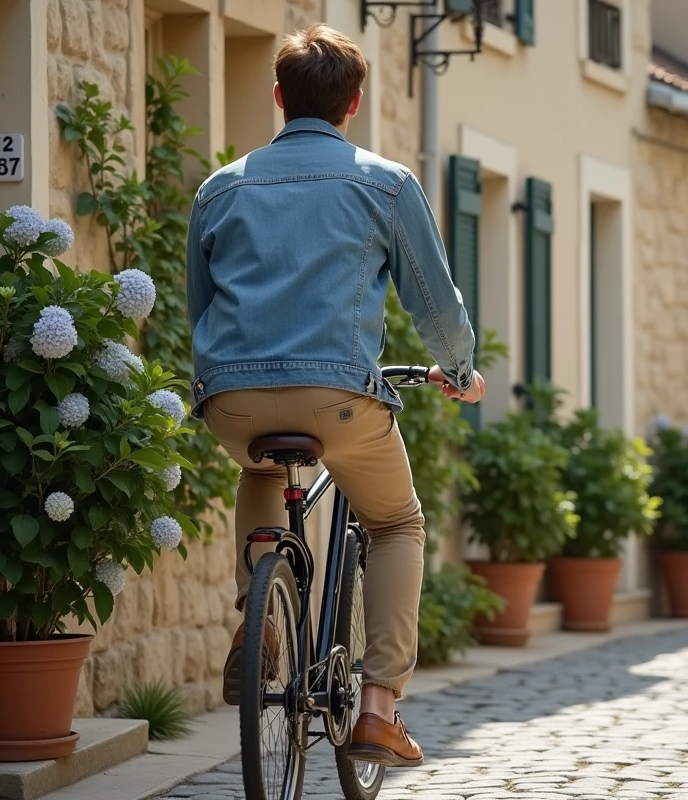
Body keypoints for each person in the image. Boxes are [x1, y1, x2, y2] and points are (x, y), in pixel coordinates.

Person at [185, 23, 485, 768]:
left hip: (233, 403)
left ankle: (263, 616)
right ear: (353, 105)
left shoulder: (220, 187)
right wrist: (460, 369)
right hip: (340, 401)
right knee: (397, 526)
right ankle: (380, 707)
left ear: (280, 98)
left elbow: (199, 307)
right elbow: (434, 304)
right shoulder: (384, 183)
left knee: (258, 468)